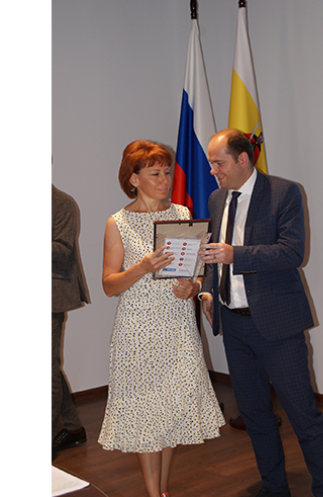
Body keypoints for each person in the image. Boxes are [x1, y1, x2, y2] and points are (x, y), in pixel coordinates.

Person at [197, 129, 323, 497]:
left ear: (243, 159)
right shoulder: (216, 199)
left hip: (278, 327)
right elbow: (213, 256)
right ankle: (275, 488)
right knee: (255, 416)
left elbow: (292, 252)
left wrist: (236, 255)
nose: (212, 171)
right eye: (211, 163)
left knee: (303, 415)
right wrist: (209, 291)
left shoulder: (283, 192)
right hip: (234, 326)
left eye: (218, 163)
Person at [98, 140, 225, 497]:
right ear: (133, 179)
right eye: (155, 173)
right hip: (138, 332)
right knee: (146, 417)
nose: (165, 180)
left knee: (172, 413)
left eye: (167, 172)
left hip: (178, 328)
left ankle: (163, 491)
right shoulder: (118, 223)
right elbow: (108, 285)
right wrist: (141, 267)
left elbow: (197, 272)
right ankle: (154, 494)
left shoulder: (183, 214)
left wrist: (193, 287)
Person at [52, 184, 90, 459]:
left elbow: (64, 250)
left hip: (51, 296)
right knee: (49, 368)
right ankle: (74, 428)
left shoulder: (62, 202)